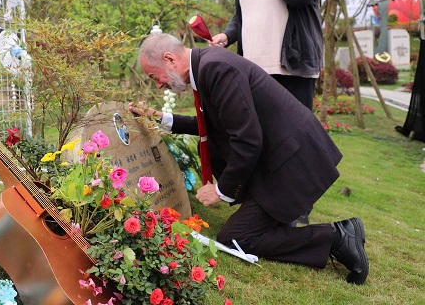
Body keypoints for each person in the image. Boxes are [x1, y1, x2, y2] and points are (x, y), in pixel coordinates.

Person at [129, 33, 369, 285]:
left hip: (292, 161)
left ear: (169, 59)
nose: (158, 85)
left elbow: (248, 139)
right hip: (285, 155)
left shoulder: (214, 69)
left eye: (154, 77)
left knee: (236, 238)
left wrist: (221, 191)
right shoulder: (206, 66)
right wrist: (160, 118)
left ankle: (338, 237)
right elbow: (212, 125)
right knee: (244, 232)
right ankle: (330, 232)